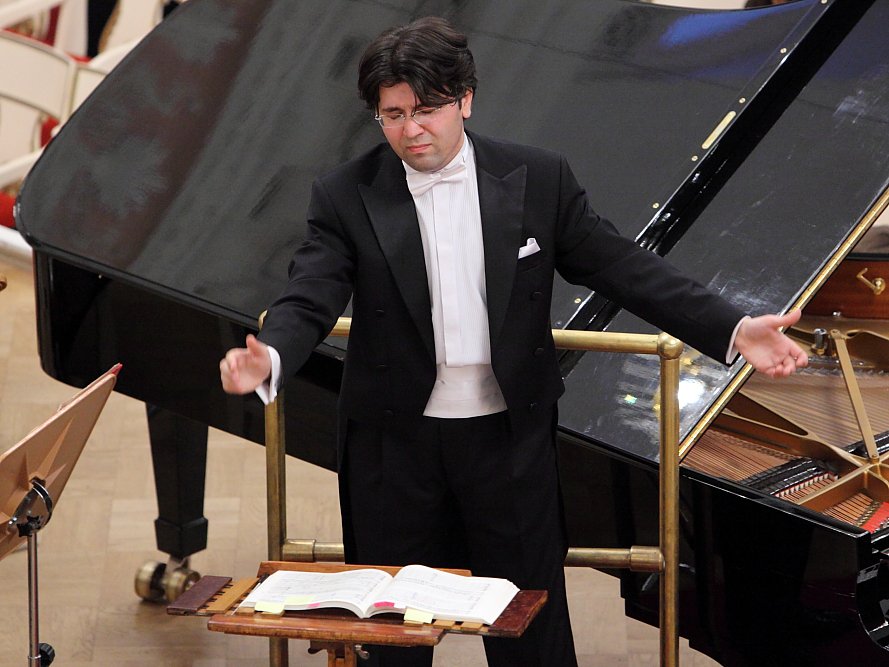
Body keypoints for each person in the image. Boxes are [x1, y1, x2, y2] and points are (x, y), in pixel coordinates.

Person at [220, 16, 807, 667]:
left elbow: (622, 267)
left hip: (507, 442)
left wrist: (730, 326)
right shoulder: (343, 194)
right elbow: (311, 291)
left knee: (531, 634)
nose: (411, 130)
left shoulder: (537, 178)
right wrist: (273, 353)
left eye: (426, 109)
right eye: (393, 115)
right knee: (392, 642)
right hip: (393, 448)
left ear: (464, 100)